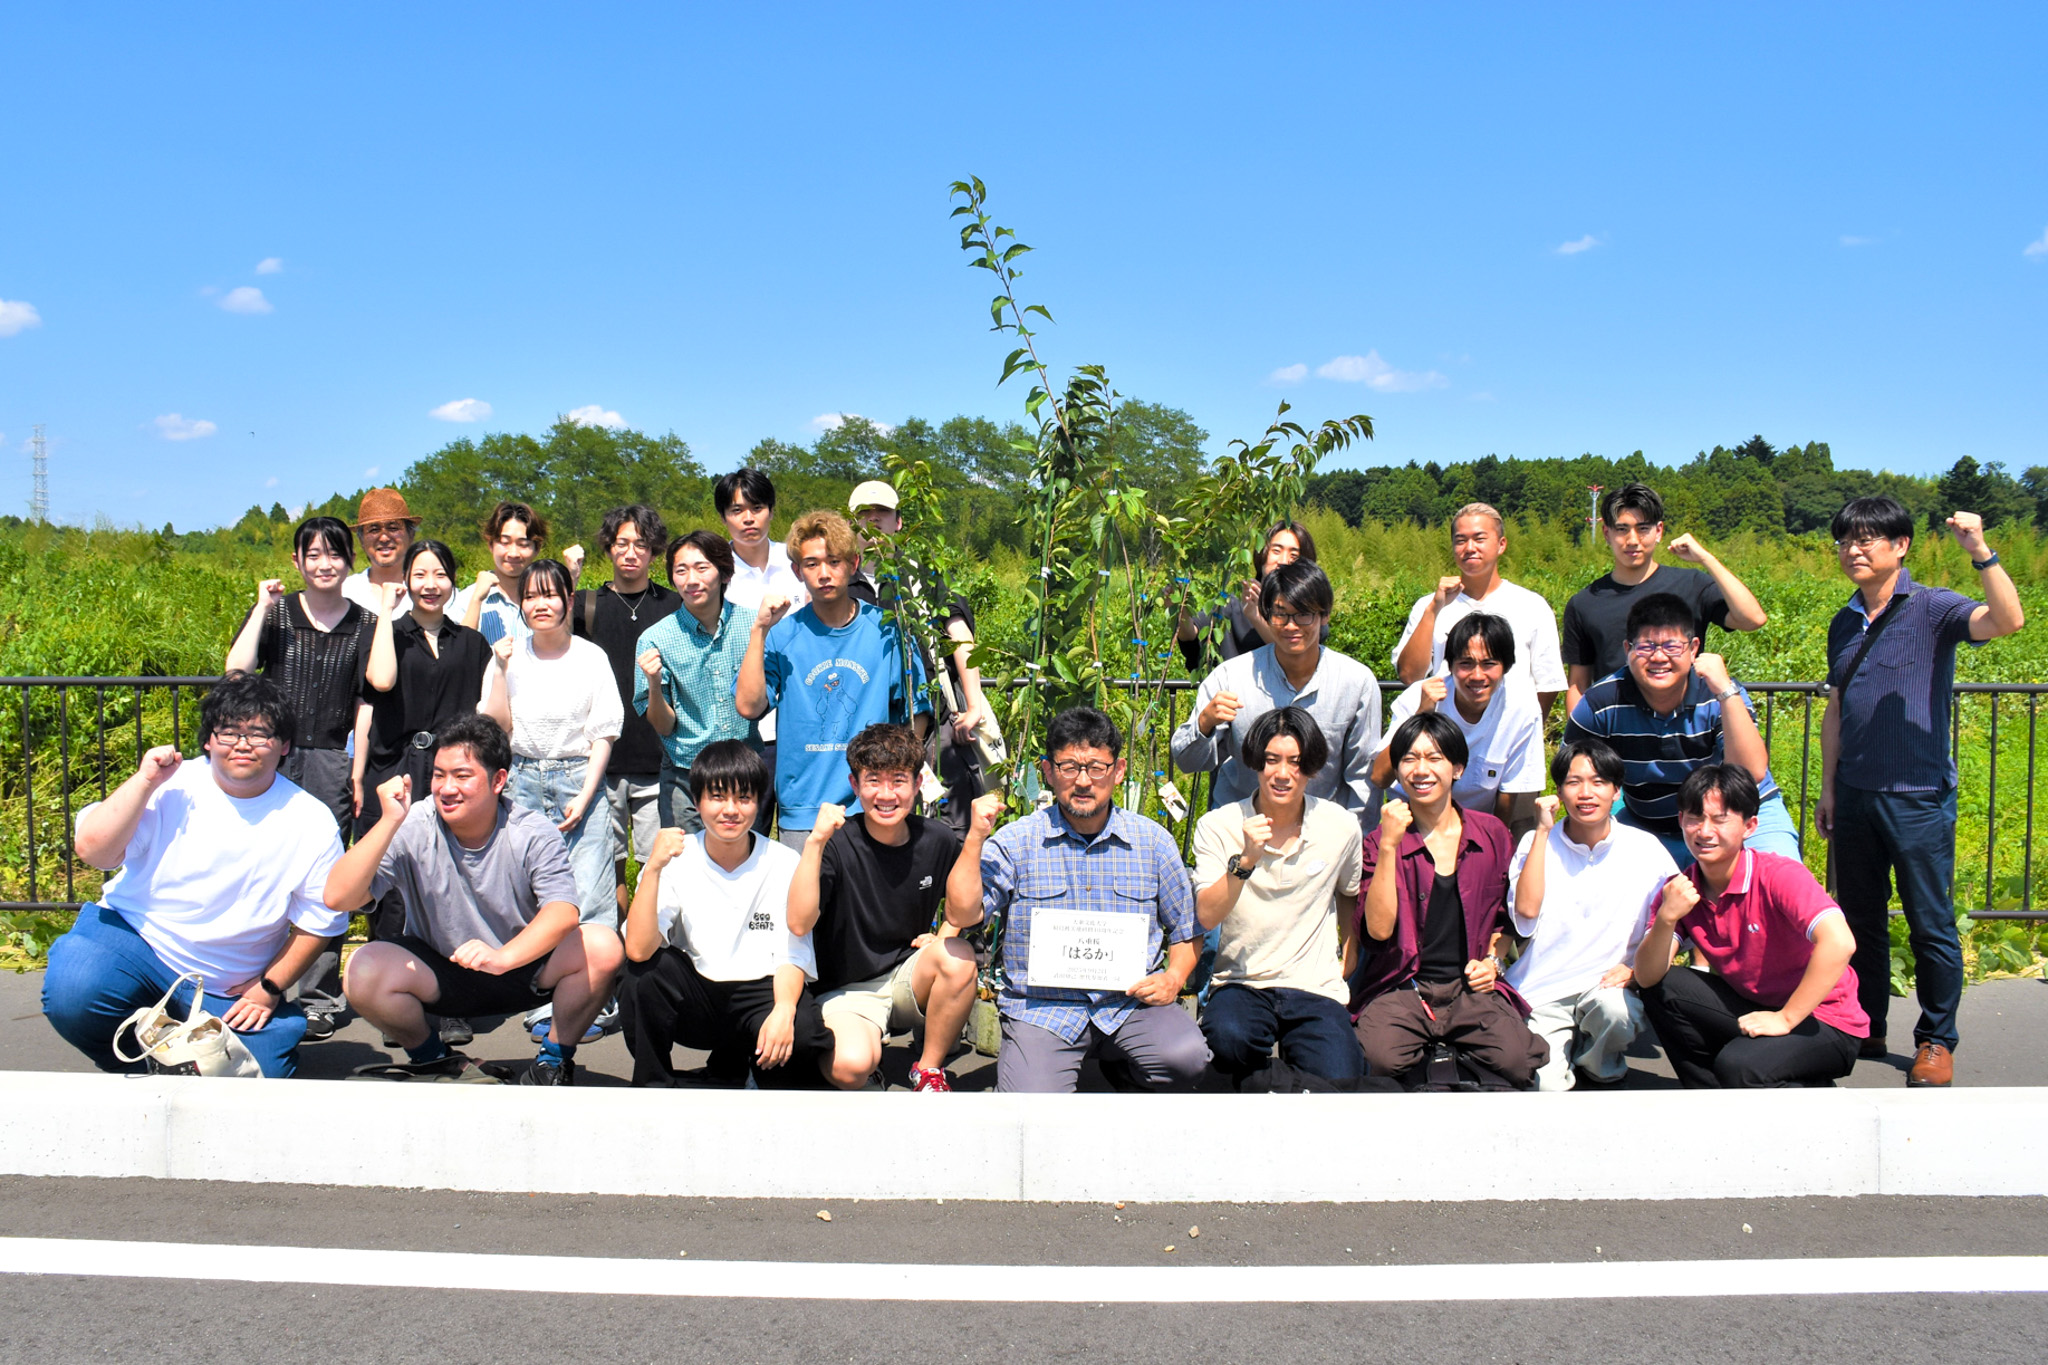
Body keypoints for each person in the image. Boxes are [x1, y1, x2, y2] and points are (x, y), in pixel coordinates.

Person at [45, 672, 348, 1078]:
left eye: (260, 734)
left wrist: (270, 988)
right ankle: (149, 1066)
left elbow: (319, 919)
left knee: (264, 1071)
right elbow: (94, 850)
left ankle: (184, 1060)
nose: (243, 744)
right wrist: (145, 779)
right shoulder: (172, 784)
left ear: (285, 745)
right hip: (137, 943)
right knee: (74, 990)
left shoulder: (311, 819)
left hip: (228, 982)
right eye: (228, 732)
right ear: (208, 740)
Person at [1818, 500, 2027, 1087]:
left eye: (1866, 540)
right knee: (1859, 918)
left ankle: (1936, 1040)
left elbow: (2007, 621)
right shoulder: (1843, 619)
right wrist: (1830, 788)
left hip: (1917, 796)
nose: (1853, 550)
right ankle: (1866, 1023)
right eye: (1844, 541)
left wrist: (1980, 551)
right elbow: (1837, 708)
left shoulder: (1932, 606)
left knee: (1929, 922)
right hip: (1855, 792)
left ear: (1900, 545)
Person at [329, 715, 624, 1085]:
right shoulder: (415, 823)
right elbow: (338, 897)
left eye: (462, 775)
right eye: (438, 775)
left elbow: (562, 912)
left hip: (524, 967)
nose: (446, 788)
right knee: (363, 967)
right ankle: (435, 1061)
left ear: (498, 780)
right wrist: (389, 822)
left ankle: (553, 1061)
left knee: (602, 945)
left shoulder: (531, 830)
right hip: (442, 971)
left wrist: (503, 958)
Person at [948, 707, 1211, 1094]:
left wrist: (1173, 978)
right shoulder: (1017, 841)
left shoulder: (1154, 842)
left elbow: (1187, 930)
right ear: (1049, 771)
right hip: (1043, 1009)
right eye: (1069, 767)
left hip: (1130, 1005)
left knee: (1186, 1059)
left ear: (1118, 771)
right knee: (1030, 1105)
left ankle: (1126, 1073)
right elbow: (963, 912)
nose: (1083, 781)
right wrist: (974, 838)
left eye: (1096, 767)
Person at [223, 514, 374, 1036]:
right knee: (259, 860)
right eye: (312, 554)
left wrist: (356, 773)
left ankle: (317, 993)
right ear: (297, 561)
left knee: (323, 875)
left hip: (332, 756)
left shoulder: (365, 622)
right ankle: (245, 976)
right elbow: (237, 671)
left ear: (348, 561)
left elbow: (365, 703)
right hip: (271, 753)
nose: (323, 564)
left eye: (333, 554)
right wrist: (262, 605)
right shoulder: (280, 613)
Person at [616, 740, 835, 1089]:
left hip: (759, 993)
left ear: (758, 801)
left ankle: (750, 1076)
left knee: (804, 1033)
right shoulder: (676, 857)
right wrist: (653, 868)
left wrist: (783, 1012)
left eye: (743, 798)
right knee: (642, 977)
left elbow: (793, 951)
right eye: (717, 797)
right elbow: (639, 950)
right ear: (697, 800)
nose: (730, 810)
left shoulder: (783, 862)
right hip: (697, 996)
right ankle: (652, 1083)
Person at [1633, 765, 1868, 1089]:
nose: (1704, 830)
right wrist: (1666, 918)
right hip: (1758, 1009)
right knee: (1665, 986)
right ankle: (1713, 1096)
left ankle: (1808, 1099)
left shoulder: (1777, 875)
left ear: (1749, 825)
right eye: (1694, 817)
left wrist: (1786, 1018)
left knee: (1739, 1066)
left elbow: (1840, 943)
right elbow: (1647, 976)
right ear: (1680, 821)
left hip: (1824, 1019)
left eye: (1720, 819)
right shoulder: (1680, 889)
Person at [1353, 713, 1547, 1089]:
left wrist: (1493, 961)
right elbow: (1377, 932)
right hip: (1403, 985)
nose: (1420, 769)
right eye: (1409, 759)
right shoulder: (1380, 841)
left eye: (1434, 757)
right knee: (1375, 1058)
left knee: (1518, 1060)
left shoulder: (1491, 833)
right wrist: (1391, 844)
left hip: (1470, 988)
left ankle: (1446, 1058)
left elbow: (1505, 919)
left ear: (1457, 768)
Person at [788, 724, 983, 1092]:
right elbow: (798, 923)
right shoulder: (836, 842)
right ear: (854, 783)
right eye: (873, 780)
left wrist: (943, 935)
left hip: (906, 975)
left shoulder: (937, 838)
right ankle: (866, 1054)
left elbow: (966, 912)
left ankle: (928, 1070)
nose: (886, 794)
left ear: (917, 781)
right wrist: (814, 842)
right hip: (846, 990)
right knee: (851, 1068)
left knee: (958, 957)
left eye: (898, 780)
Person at [735, 510, 930, 850]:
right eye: (811, 564)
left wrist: (896, 781)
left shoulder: (888, 630)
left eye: (834, 561)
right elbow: (749, 706)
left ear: (853, 564)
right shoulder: (783, 635)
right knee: (806, 904)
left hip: (873, 805)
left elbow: (918, 711)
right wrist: (759, 630)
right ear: (797, 571)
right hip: (804, 807)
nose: (824, 573)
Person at [1192, 707, 1365, 1087]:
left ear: (1312, 767)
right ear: (1256, 762)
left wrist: (1346, 961)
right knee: (1228, 1044)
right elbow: (1206, 914)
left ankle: (1273, 1087)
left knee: (1343, 1074)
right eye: (1271, 760)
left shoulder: (1341, 826)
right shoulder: (1218, 826)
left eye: (1296, 762)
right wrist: (1247, 859)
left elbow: (1349, 894)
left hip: (1313, 984)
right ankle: (1285, 1086)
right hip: (1242, 981)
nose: (1283, 774)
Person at [1563, 592, 1799, 866]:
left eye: (1672, 647)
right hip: (1649, 825)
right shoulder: (1602, 701)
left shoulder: (1719, 692)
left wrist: (1725, 690)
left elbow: (1751, 772)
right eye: (1646, 646)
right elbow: (1572, 772)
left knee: (1780, 881)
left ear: (1694, 648)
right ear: (1628, 649)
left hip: (1738, 814)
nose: (1659, 657)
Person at [1505, 738, 1677, 1091]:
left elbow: (1674, 921)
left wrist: (1637, 969)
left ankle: (1599, 1062)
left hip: (1606, 988)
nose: (1586, 793)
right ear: (1559, 791)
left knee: (1616, 1015)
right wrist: (1541, 831)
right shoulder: (1536, 843)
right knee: (1545, 1087)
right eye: (1573, 782)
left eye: (1599, 782)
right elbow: (1525, 913)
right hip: (1543, 990)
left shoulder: (1644, 849)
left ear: (1617, 792)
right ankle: (1569, 1055)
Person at [357, 538, 492, 930]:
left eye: (440, 575)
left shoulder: (471, 642)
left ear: (453, 581)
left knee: (453, 876)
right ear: (405, 580)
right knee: (389, 879)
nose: (430, 584)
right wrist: (385, 608)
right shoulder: (386, 632)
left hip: (451, 774)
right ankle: (385, 973)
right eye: (419, 574)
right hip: (394, 769)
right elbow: (380, 681)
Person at [1170, 561, 1379, 813]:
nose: (1291, 626)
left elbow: (1363, 779)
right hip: (1242, 831)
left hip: (1320, 840)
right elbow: (1186, 761)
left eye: (1303, 614)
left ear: (1325, 615)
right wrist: (1204, 724)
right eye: (1281, 614)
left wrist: (1351, 842)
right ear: (1267, 614)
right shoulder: (1231, 677)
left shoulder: (1356, 683)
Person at [479, 558, 622, 926]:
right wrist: (499, 668)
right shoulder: (508, 654)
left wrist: (587, 794)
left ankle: (591, 979)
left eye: (549, 595)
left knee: (589, 895)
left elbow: (603, 732)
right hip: (520, 779)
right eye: (530, 597)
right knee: (522, 892)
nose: (540, 605)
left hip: (578, 778)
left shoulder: (591, 657)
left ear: (569, 601)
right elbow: (496, 725)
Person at [848, 478, 993, 835]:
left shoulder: (922, 575)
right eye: (864, 514)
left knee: (949, 820)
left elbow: (958, 634)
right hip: (864, 718)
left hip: (934, 718)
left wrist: (973, 705)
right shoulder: (840, 580)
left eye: (883, 512)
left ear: (898, 521)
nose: (874, 520)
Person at [1560, 482, 1767, 717]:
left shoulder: (1691, 585)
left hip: (1687, 731)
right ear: (1607, 533)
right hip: (1616, 733)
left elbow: (1753, 618)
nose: (1632, 540)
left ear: (1659, 531)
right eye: (1622, 529)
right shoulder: (1585, 602)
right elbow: (1578, 684)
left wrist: (1706, 559)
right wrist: (1580, 742)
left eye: (1643, 528)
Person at [573, 505, 681, 915]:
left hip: (661, 759)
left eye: (641, 544)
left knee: (661, 866)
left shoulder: (674, 605)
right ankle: (616, 953)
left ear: (654, 552)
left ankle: (653, 953)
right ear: (609, 548)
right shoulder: (587, 605)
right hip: (602, 760)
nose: (631, 552)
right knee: (608, 868)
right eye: (622, 543)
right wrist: (572, 576)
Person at [1373, 612, 1545, 834]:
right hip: (1411, 822)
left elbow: (1508, 795)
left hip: (1476, 826)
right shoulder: (1419, 695)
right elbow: (1379, 776)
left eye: (1489, 664)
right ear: (1450, 665)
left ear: (1506, 667)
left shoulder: (1522, 710)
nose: (1477, 675)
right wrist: (1421, 716)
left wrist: (1493, 846)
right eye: (1466, 663)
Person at [635, 530, 759, 834]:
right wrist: (653, 683)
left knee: (746, 865)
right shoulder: (655, 639)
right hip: (685, 775)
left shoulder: (754, 626)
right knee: (686, 865)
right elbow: (663, 726)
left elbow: (763, 701)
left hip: (745, 771)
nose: (691, 580)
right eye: (681, 570)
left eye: (702, 567)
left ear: (725, 572)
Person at [1391, 503, 1565, 715]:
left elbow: (1548, 683)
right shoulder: (1430, 606)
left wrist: (1526, 728)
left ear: (1501, 545)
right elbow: (1410, 676)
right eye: (1461, 540)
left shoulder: (1532, 606)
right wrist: (1433, 611)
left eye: (1479, 539)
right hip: (1446, 735)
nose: (1470, 547)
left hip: (1509, 737)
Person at [717, 468, 809, 833]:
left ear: (771, 509)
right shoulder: (714, 571)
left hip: (799, 723)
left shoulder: (799, 563)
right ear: (724, 517)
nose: (748, 518)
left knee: (800, 835)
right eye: (736, 510)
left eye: (756, 507)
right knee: (742, 835)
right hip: (740, 728)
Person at [1174, 519, 1329, 670]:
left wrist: (1256, 617)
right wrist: (1180, 607)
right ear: (1262, 555)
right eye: (1276, 551)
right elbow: (1192, 636)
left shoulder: (1309, 611)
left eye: (1294, 556)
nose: (1283, 561)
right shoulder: (1232, 603)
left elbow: (1295, 656)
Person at [462, 501, 583, 647]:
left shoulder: (547, 601)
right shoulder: (468, 599)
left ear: (537, 548)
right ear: (490, 545)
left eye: (523, 544)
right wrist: (476, 600)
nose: (513, 553)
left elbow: (563, 643)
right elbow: (458, 655)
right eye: (504, 542)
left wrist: (572, 579)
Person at [341, 488, 422, 616]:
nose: (384, 537)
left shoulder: (429, 589)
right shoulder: (345, 592)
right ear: (361, 539)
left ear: (411, 534)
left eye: (393, 528)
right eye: (374, 530)